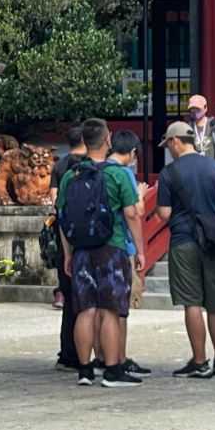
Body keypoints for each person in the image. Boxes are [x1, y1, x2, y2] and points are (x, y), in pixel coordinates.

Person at [57, 118, 146, 387]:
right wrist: (140, 251)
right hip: (113, 246)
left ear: (84, 141)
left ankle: (85, 371)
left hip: (82, 249)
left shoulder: (71, 175)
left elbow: (62, 215)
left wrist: (69, 254)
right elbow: (131, 214)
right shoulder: (117, 174)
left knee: (85, 310)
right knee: (109, 310)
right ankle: (111, 370)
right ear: (108, 140)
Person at [156, 121, 215, 379]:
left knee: (192, 302)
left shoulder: (169, 173)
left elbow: (164, 212)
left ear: (175, 141)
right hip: (213, 241)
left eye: (168, 143)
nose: (168, 148)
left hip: (183, 240)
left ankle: (200, 361)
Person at [104, 129, 151, 378]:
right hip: (120, 244)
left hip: (92, 246)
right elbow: (134, 212)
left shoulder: (96, 169)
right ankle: (118, 359)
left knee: (98, 309)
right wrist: (142, 195)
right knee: (120, 309)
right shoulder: (124, 174)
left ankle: (101, 358)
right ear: (133, 153)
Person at [51, 126, 88, 313]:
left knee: (63, 255)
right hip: (87, 222)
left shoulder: (59, 165)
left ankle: (61, 292)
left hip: (64, 220)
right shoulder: (91, 163)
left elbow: (54, 195)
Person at [183, 94, 215, 181]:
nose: (194, 112)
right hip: (195, 171)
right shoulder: (188, 127)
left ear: (205, 108)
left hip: (213, 169)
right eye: (192, 109)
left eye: (197, 109)